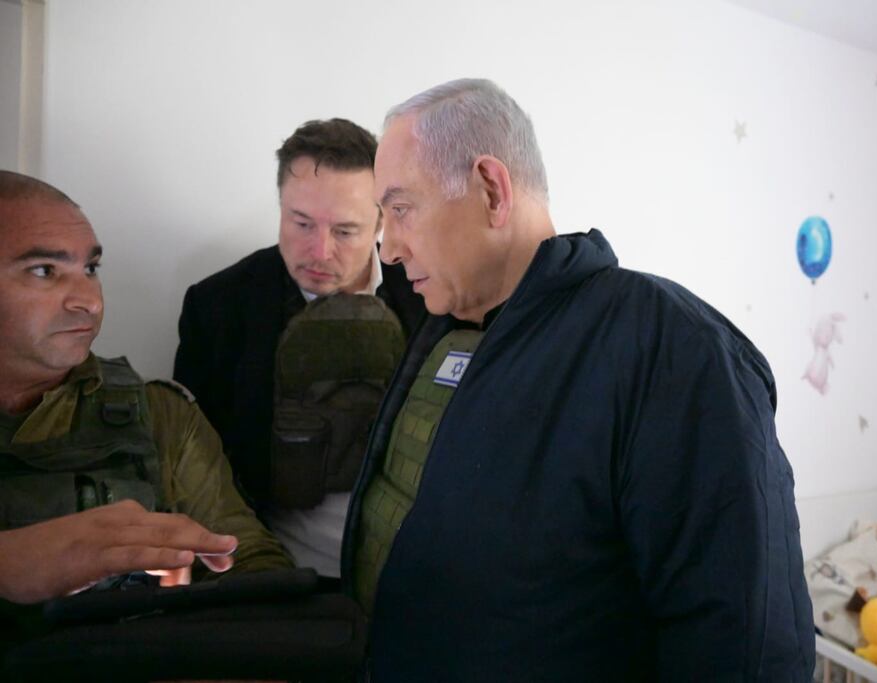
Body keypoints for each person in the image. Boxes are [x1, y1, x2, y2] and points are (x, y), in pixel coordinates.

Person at [339, 79, 815, 681]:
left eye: (401, 209)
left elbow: (744, 642)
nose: (388, 246)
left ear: (491, 190)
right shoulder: (448, 329)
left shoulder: (671, 350)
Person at [0, 171, 291, 650]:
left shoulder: (160, 415)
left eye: (90, 269)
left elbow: (250, 561)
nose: (89, 302)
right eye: (44, 271)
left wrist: (231, 648)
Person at [174, 119, 424, 578]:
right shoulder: (218, 310)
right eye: (301, 222)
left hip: (413, 568)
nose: (319, 250)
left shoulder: (432, 299)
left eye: (345, 231)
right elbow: (193, 469)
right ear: (281, 208)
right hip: (276, 575)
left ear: (382, 223)